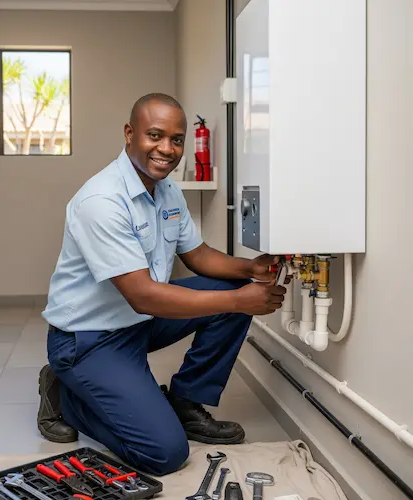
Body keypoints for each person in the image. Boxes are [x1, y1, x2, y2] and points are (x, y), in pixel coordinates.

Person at [37, 93, 286, 476]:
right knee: (164, 453)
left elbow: (198, 256)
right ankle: (67, 393)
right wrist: (239, 299)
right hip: (89, 339)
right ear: (129, 133)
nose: (167, 149)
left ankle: (186, 402)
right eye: (155, 136)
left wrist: (249, 267)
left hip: (137, 325)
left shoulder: (166, 189)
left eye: (177, 139)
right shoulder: (102, 200)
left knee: (224, 292)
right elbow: (142, 295)